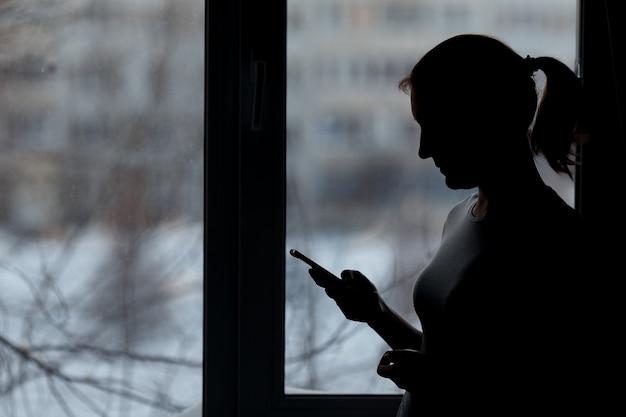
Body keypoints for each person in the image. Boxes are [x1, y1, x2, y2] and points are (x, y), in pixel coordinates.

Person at [306, 34, 603, 415]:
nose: (424, 149)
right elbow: (450, 360)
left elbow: (559, 390)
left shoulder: (555, 240)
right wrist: (375, 313)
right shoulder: (461, 217)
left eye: (437, 126)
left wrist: (440, 383)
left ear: (488, 120)